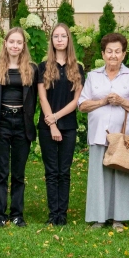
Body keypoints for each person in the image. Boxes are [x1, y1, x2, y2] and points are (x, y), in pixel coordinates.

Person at [78, 33, 129, 232]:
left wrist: (122, 101)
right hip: (98, 134)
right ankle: (99, 218)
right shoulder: (93, 76)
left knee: (121, 175)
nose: (113, 55)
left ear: (124, 54)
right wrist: (103, 101)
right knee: (98, 177)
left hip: (122, 138)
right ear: (103, 54)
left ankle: (119, 218)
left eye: (117, 51)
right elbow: (82, 105)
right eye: (109, 51)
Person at [0, 27, 38, 227]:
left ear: (23, 45)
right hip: (1, 123)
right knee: (1, 171)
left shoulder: (32, 69)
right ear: (5, 44)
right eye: (11, 42)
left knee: (18, 173)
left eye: (19, 42)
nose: (15, 45)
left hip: (22, 124)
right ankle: (0, 214)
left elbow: (34, 98)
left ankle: (17, 213)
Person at [36, 22, 84, 226]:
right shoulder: (43, 67)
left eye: (63, 36)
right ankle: (52, 213)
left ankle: (62, 214)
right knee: (51, 171)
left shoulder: (78, 68)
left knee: (64, 171)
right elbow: (42, 98)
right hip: (47, 127)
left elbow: (76, 101)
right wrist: (52, 124)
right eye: (56, 36)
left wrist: (56, 118)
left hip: (68, 126)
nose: (59, 39)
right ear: (52, 40)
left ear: (68, 39)